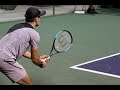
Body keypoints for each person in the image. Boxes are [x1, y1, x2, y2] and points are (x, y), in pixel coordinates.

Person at [0, 7, 50, 85]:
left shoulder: (16, 26)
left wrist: (38, 57)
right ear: (36, 19)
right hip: (5, 59)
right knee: (28, 83)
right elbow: (35, 60)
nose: (40, 19)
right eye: (39, 17)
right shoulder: (34, 34)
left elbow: (21, 50)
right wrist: (41, 63)